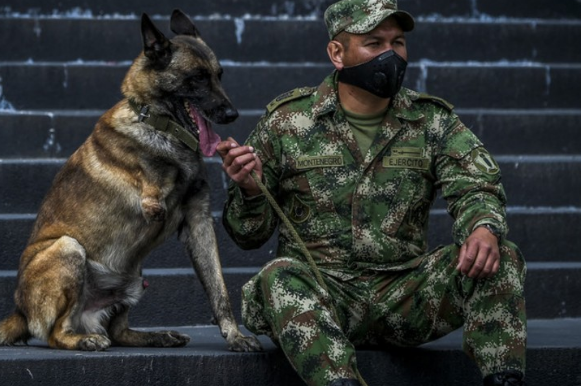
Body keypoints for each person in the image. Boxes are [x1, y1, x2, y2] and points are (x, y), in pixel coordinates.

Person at [216, 0, 527, 385]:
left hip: (405, 296)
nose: (390, 54)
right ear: (337, 53)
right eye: (374, 42)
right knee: (277, 276)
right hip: (322, 297)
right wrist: (249, 190)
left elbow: (475, 185)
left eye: (397, 43)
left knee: (502, 255)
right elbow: (247, 236)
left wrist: (482, 227)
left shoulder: (431, 120)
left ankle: (504, 380)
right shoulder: (287, 122)